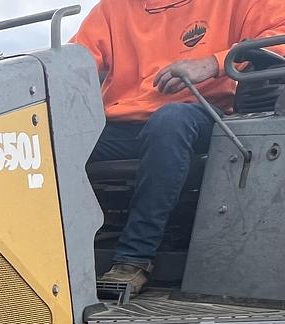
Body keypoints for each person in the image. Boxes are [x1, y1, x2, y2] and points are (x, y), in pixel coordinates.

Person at [73, 0, 285, 294]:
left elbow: (279, 38)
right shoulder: (113, 9)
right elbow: (73, 61)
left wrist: (213, 63)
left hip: (202, 114)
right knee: (56, 141)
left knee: (170, 122)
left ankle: (133, 259)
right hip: (123, 123)